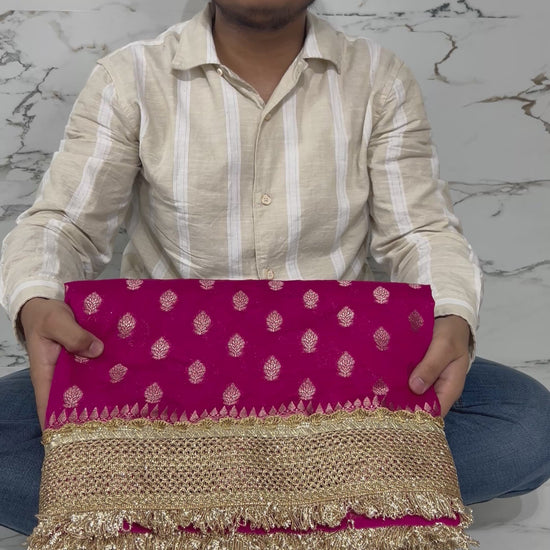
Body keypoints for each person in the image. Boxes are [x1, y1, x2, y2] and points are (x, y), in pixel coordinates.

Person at [0, 0, 549, 537]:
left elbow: (418, 230)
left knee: (527, 426)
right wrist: (35, 299)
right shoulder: (130, 77)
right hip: (165, 367)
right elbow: (64, 223)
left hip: (338, 368)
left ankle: (185, 516)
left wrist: (453, 314)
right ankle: (325, 513)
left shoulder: (377, 77)